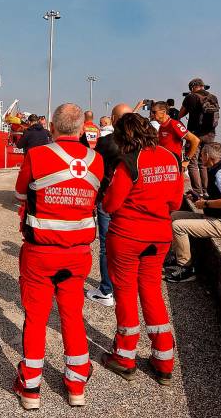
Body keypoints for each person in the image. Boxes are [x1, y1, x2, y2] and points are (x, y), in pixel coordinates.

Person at [13, 103, 103, 410]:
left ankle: (30, 389)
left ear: (52, 128)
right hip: (77, 255)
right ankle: (76, 385)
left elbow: (21, 194)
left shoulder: (37, 156)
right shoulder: (96, 160)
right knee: (72, 317)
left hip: (40, 253)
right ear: (81, 130)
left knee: (36, 319)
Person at [99, 113, 183, 386]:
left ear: (124, 137)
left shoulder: (128, 162)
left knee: (125, 294)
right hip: (158, 237)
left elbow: (110, 205)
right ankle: (164, 361)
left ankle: (124, 357)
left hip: (127, 236)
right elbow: (175, 201)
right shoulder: (171, 158)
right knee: (152, 291)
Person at [165, 142, 221, 283]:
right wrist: (199, 198)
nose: (200, 158)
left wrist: (206, 203)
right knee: (174, 216)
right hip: (215, 217)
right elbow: (219, 197)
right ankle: (176, 257)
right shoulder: (218, 169)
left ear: (207, 155)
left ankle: (185, 268)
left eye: (201, 155)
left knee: (178, 226)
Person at [86, 104, 131, 307]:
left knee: (106, 246)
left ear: (113, 119)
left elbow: (91, 164)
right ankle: (125, 287)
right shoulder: (140, 142)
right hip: (131, 200)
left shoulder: (107, 142)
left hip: (108, 198)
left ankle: (106, 290)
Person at [179, 78, 220, 196]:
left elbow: (180, 114)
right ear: (203, 86)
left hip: (194, 134)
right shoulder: (213, 97)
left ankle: (197, 191)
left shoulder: (190, 97)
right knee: (204, 163)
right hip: (210, 134)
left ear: (192, 87)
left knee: (192, 162)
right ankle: (206, 190)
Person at [152, 101, 200, 170]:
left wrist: (186, 160)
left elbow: (195, 140)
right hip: (164, 166)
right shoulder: (162, 126)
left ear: (163, 112)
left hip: (173, 166)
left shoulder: (174, 124)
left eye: (154, 112)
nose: (152, 114)